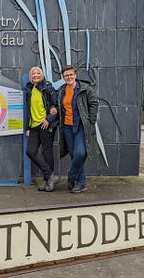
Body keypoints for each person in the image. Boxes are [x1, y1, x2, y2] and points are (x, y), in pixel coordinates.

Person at [58, 65, 99, 193]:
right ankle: (81, 183)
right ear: (63, 78)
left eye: (71, 75)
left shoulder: (85, 89)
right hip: (67, 127)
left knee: (81, 153)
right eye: (66, 76)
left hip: (81, 126)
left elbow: (94, 103)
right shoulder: (62, 90)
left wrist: (90, 121)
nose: (69, 77)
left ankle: (71, 175)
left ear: (75, 75)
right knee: (73, 155)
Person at [24, 66, 59, 192]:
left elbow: (56, 105)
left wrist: (48, 119)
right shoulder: (29, 88)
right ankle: (50, 175)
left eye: (38, 73)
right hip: (33, 126)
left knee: (47, 151)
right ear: (30, 76)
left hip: (45, 124)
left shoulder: (47, 87)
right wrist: (28, 127)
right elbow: (29, 110)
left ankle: (47, 180)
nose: (35, 75)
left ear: (42, 75)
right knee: (30, 151)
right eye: (33, 73)